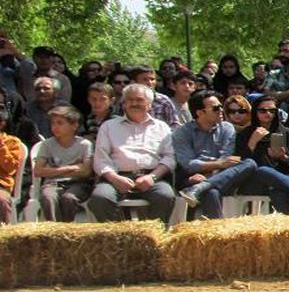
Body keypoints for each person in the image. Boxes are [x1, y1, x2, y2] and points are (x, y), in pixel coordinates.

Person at [88, 83, 176, 223]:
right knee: (100, 198)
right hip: (116, 178)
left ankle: (153, 238)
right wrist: (115, 178)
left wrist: (152, 177)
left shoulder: (161, 127)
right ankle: (118, 238)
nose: (134, 103)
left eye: (139, 100)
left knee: (165, 196)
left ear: (149, 104)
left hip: (151, 177)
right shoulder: (108, 126)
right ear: (124, 103)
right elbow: (100, 160)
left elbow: (169, 157)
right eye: (130, 99)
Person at [174, 90, 258, 219]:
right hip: (193, 178)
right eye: (215, 108)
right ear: (200, 113)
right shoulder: (182, 132)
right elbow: (188, 164)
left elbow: (227, 156)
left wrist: (211, 174)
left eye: (221, 106)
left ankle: (201, 188)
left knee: (249, 164)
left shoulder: (226, 128)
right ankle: (218, 234)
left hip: (219, 175)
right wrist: (218, 164)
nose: (221, 110)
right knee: (211, 192)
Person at [32, 105, 93, 222]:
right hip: (52, 184)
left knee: (69, 198)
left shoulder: (84, 145)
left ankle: (66, 229)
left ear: (74, 126)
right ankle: (53, 230)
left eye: (60, 123)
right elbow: (38, 171)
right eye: (53, 123)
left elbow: (86, 171)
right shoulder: (47, 145)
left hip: (78, 184)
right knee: (48, 197)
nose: (55, 127)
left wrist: (52, 170)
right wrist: (71, 168)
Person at [0, 107, 23, 223]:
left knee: (2, 201)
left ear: (2, 123)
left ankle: (4, 237)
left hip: (1, 184)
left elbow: (11, 169)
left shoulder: (13, 142)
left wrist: (1, 147)